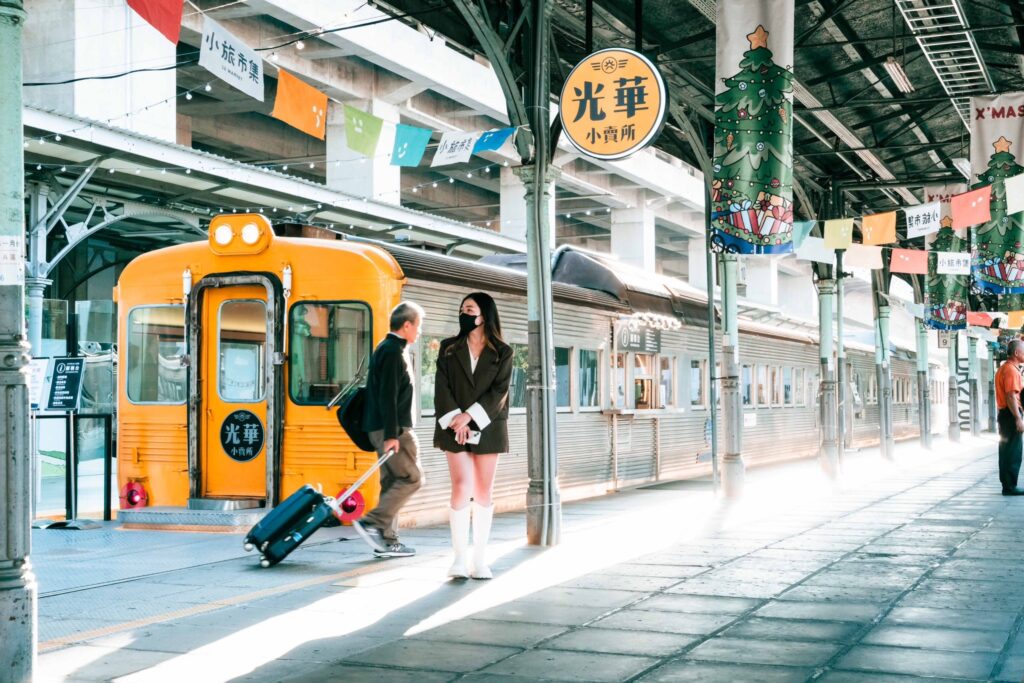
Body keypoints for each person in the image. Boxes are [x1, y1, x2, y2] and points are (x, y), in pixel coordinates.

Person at [434, 292, 513, 579]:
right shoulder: (448, 348)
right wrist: (457, 419)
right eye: (462, 309)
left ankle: (479, 560)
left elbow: (500, 392)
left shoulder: (503, 352)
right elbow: (441, 387)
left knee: (482, 491)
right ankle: (458, 559)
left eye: (469, 309)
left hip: (488, 425)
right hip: (452, 426)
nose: (463, 314)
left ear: (484, 316)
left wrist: (470, 417)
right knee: (461, 486)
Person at [352, 301, 425, 557]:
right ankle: (372, 521)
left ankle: (388, 541)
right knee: (412, 478)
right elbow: (388, 395)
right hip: (392, 430)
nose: (419, 332)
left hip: (380, 428)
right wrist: (393, 435)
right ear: (406, 325)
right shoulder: (394, 351)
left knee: (392, 481)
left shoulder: (385, 347)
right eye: (418, 326)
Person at [995, 339, 1024, 496]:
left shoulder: (1006, 368)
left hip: (1005, 414)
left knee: (1006, 450)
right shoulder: (1011, 371)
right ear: (1016, 353)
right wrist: (1018, 418)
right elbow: (1011, 396)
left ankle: (1007, 484)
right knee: (1013, 451)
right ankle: (1010, 486)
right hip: (1010, 415)